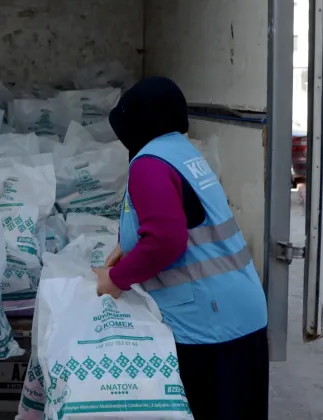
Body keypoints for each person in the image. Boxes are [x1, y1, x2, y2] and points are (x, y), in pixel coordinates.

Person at [92, 77, 269, 419]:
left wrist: (116, 278)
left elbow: (165, 240)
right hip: (240, 312)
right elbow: (179, 218)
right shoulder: (181, 152)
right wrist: (124, 245)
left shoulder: (149, 164)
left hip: (211, 324)